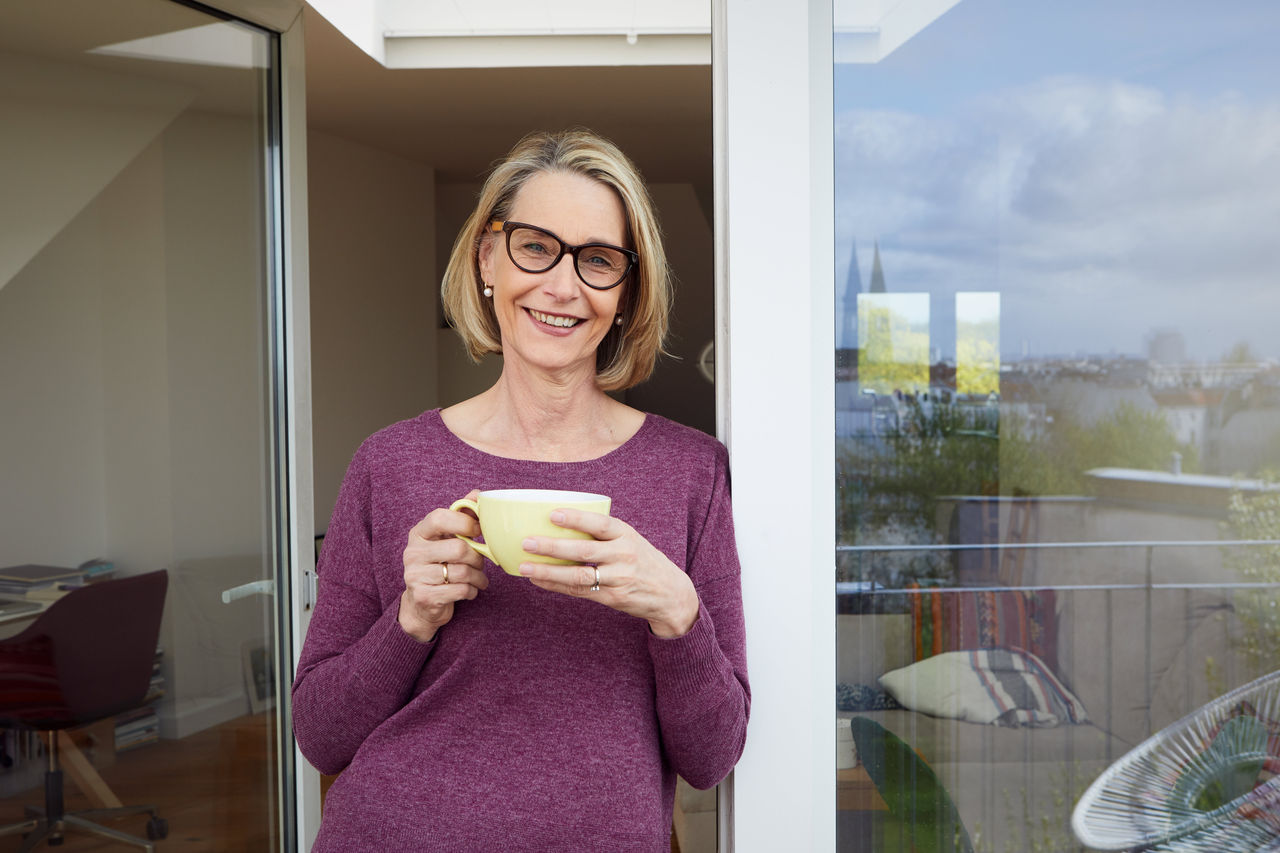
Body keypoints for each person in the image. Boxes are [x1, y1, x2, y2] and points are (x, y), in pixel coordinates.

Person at [292, 129, 749, 851]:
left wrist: (676, 611)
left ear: (628, 291)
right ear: (487, 258)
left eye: (598, 260)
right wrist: (411, 617)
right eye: (536, 246)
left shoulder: (692, 471)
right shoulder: (390, 463)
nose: (562, 286)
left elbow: (712, 757)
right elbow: (320, 736)